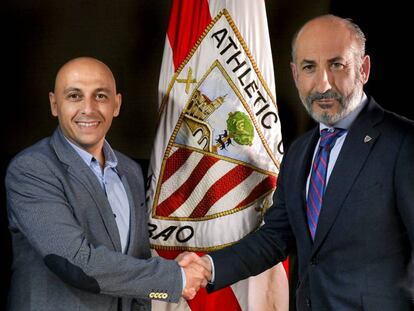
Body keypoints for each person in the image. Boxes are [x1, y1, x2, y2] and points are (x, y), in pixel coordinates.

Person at [178, 14, 414, 310]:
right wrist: (209, 266)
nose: (323, 83)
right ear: (294, 75)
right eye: (309, 67)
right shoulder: (301, 151)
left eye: (337, 64)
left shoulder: (403, 142)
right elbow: (276, 237)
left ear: (363, 69)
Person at [5, 57, 210, 311]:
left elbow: (136, 261)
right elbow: (77, 263)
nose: (88, 108)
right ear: (54, 104)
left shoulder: (131, 172)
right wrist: (176, 278)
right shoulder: (32, 169)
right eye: (74, 96)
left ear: (116, 104)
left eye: (100, 96)